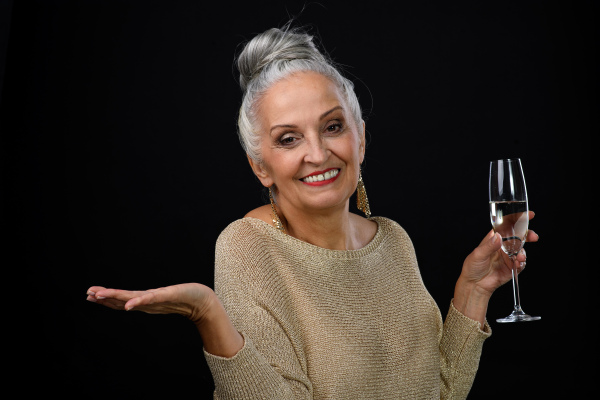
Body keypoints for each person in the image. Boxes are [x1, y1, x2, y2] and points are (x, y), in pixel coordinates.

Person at [86, 25, 538, 399]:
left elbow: (441, 392)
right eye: (288, 139)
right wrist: (209, 315)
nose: (318, 153)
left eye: (333, 127)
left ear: (360, 138)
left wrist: (473, 291)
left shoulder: (393, 241)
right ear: (260, 166)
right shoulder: (248, 248)